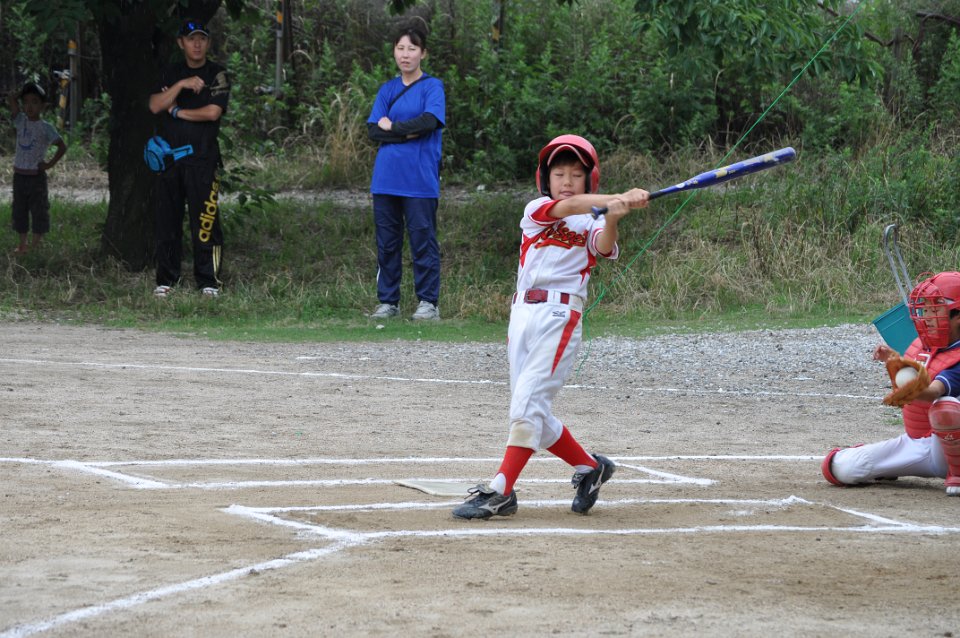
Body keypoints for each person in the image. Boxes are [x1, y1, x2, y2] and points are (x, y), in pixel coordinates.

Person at [453, 134, 650, 519]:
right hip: (522, 315)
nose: (567, 181)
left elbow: (604, 247)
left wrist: (613, 214)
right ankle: (591, 468)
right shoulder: (537, 209)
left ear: (588, 179)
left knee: (527, 405)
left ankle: (501, 490)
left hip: (560, 316)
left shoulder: (592, 220)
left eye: (576, 174)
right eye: (559, 173)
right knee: (531, 410)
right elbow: (571, 205)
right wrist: (616, 197)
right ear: (546, 179)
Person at [822, 271, 960, 496]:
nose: (926, 317)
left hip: (946, 448)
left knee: (946, 406)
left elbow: (933, 392)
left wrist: (909, 388)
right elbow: (925, 374)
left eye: (935, 310)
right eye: (925, 309)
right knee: (841, 467)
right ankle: (891, 467)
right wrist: (896, 362)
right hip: (921, 444)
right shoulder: (925, 345)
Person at [366, 26, 446, 321]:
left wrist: (394, 128)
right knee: (387, 243)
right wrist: (406, 134)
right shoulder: (387, 89)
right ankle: (388, 302)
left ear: (423, 53)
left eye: (412, 48)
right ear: (394, 52)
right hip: (385, 179)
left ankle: (428, 303)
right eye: (400, 48)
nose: (406, 54)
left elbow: (429, 122)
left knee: (423, 240)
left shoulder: (432, 87)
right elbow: (373, 130)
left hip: (419, 180)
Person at [148, 19, 230, 298]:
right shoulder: (171, 72)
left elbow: (212, 113)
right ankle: (166, 280)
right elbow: (155, 104)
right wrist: (181, 84)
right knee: (167, 221)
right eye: (191, 38)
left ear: (208, 43)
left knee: (205, 221)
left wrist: (177, 111)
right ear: (180, 42)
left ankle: (209, 281)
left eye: (202, 38)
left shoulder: (217, 74)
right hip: (169, 160)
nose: (197, 44)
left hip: (203, 159)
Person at [6, 82, 67, 255]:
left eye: (34, 102)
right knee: (19, 210)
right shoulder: (20, 121)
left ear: (43, 106)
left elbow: (62, 146)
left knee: (39, 210)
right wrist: (18, 94)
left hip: (36, 177)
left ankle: (35, 245)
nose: (29, 106)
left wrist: (49, 164)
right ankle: (22, 245)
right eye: (25, 102)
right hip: (19, 176)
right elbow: (11, 100)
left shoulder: (46, 127)